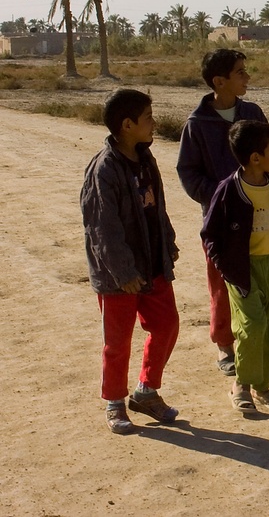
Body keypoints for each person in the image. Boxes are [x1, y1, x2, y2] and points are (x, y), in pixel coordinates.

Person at [176, 48, 269, 375]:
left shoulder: (252, 112)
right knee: (224, 285)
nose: (247, 77)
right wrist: (223, 198)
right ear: (219, 81)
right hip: (225, 225)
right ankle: (226, 349)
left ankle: (262, 343)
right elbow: (188, 172)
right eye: (241, 72)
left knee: (264, 284)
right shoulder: (197, 124)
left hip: (262, 219)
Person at [81, 89, 181, 434]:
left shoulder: (145, 158)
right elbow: (101, 228)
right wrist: (122, 272)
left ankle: (147, 391)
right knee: (118, 341)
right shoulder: (104, 170)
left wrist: (167, 244)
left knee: (167, 325)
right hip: (118, 277)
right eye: (149, 118)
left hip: (153, 266)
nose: (154, 123)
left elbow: (158, 209)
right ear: (127, 125)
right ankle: (115, 402)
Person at [201, 120, 269, 413]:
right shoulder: (228, 191)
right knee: (251, 325)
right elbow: (210, 234)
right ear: (255, 157)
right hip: (240, 272)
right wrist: (226, 267)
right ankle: (241, 385)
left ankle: (262, 388)